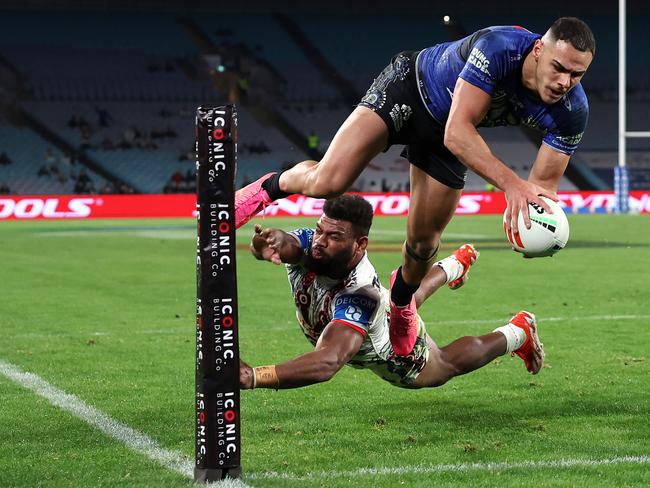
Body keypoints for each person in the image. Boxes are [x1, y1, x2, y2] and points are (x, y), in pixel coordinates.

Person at [235, 17, 593, 356]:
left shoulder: (572, 110)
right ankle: (265, 189)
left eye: (577, 74)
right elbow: (459, 132)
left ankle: (403, 301)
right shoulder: (499, 47)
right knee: (329, 181)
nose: (565, 81)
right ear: (537, 51)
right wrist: (512, 185)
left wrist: (532, 229)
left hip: (447, 132)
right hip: (409, 90)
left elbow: (543, 188)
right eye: (559, 67)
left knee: (424, 245)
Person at [239, 194, 544, 391]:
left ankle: (517, 332)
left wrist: (255, 376)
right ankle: (454, 265)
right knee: (404, 299)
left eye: (333, 236)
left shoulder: (360, 296)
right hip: (380, 307)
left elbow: (328, 361)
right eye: (320, 229)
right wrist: (266, 242)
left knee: (443, 366)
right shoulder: (312, 245)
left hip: (393, 351)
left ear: (360, 245)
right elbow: (287, 246)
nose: (320, 241)